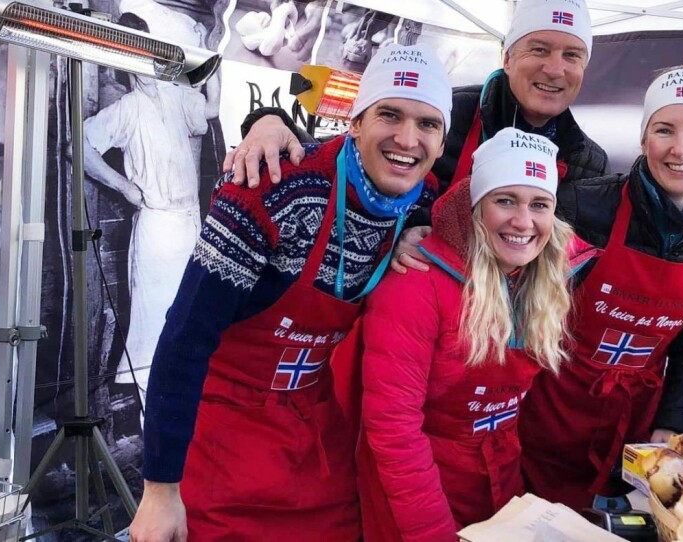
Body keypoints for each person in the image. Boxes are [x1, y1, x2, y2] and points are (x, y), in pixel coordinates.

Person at [128, 43, 451, 542]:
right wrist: (160, 490)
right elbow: (184, 339)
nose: (408, 139)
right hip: (223, 436)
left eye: (428, 124)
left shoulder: (423, 202)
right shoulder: (269, 187)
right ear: (356, 123)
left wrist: (417, 233)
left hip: (314, 434)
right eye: (390, 114)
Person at [222, 0, 683, 282]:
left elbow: (643, 222)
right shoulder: (445, 113)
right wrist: (269, 121)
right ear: (507, 55)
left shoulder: (587, 158)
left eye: (571, 54)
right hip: (398, 297)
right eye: (539, 49)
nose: (554, 69)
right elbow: (348, 150)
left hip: (502, 338)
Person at [519, 64, 683, 510]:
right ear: (644, 139)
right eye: (664, 130)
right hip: (544, 415)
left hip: (632, 432)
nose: (680, 149)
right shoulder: (582, 205)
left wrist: (674, 424)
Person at [357, 128, 576, 541]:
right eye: (505, 200)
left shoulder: (546, 277)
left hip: (500, 480)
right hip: (417, 492)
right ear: (476, 207)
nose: (523, 221)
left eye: (540, 204)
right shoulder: (416, 282)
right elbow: (393, 427)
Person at [82, 12, 217, 412]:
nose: (145, 66)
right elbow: (81, 146)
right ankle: (150, 420)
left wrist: (213, 58)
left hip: (190, 221)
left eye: (149, 55)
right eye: (134, 57)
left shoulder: (177, 97)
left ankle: (184, 417)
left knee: (188, 318)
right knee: (152, 327)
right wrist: (124, 186)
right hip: (157, 227)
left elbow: (209, 111)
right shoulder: (126, 108)